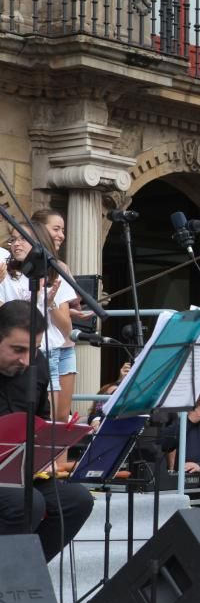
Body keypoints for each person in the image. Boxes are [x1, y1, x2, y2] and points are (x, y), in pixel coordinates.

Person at [0, 301, 94, 560]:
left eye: (34, 350)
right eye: (17, 349)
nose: (26, 360)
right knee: (28, 503)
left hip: (20, 472)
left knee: (76, 500)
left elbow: (41, 419)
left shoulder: (36, 364)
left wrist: (47, 452)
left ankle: (28, 575)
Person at [0, 223, 75, 416]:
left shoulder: (54, 275)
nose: (16, 244)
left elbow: (67, 330)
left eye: (23, 239)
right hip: (12, 352)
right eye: (13, 239)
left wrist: (50, 304)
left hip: (45, 352)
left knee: (54, 419)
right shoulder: (5, 274)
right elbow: (8, 317)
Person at [31, 209, 79, 423]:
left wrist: (55, 305)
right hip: (43, 346)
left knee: (62, 417)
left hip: (64, 344)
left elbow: (68, 312)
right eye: (56, 229)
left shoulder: (59, 267)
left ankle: (60, 458)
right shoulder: (21, 268)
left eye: (63, 230)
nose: (61, 235)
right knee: (48, 415)